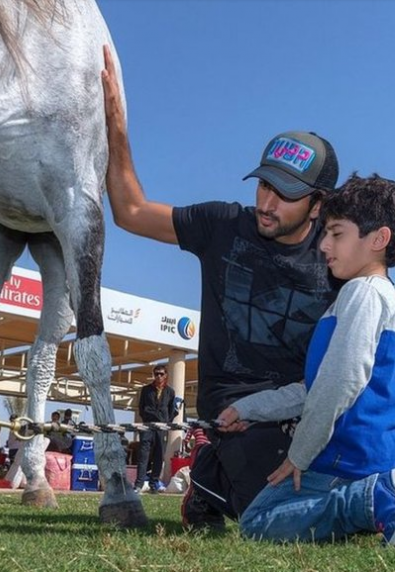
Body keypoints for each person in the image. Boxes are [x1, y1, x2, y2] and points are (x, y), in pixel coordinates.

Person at [101, 46, 341, 529]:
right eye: (264, 185)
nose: (267, 202)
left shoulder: (337, 253)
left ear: (317, 205)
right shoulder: (222, 224)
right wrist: (116, 128)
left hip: (301, 399)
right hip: (232, 402)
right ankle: (208, 478)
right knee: (280, 513)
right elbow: (130, 211)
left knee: (339, 479)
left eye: (287, 194)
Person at [217, 174, 395, 544]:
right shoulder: (375, 297)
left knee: (256, 524)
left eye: (336, 234)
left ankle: (373, 501)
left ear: (378, 239)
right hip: (362, 460)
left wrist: (299, 455)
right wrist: (249, 408)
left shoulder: (362, 293)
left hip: (346, 461)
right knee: (263, 514)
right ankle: (369, 508)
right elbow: (312, 388)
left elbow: (340, 383)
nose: (324, 245)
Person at [135, 364, 176, 493]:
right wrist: (154, 417)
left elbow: (171, 410)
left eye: (161, 373)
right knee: (143, 455)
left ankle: (154, 484)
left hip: (162, 428)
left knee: (159, 455)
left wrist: (166, 422)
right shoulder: (146, 389)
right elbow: (143, 409)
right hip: (147, 426)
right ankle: (138, 484)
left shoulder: (170, 392)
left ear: (166, 375)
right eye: (156, 373)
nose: (158, 376)